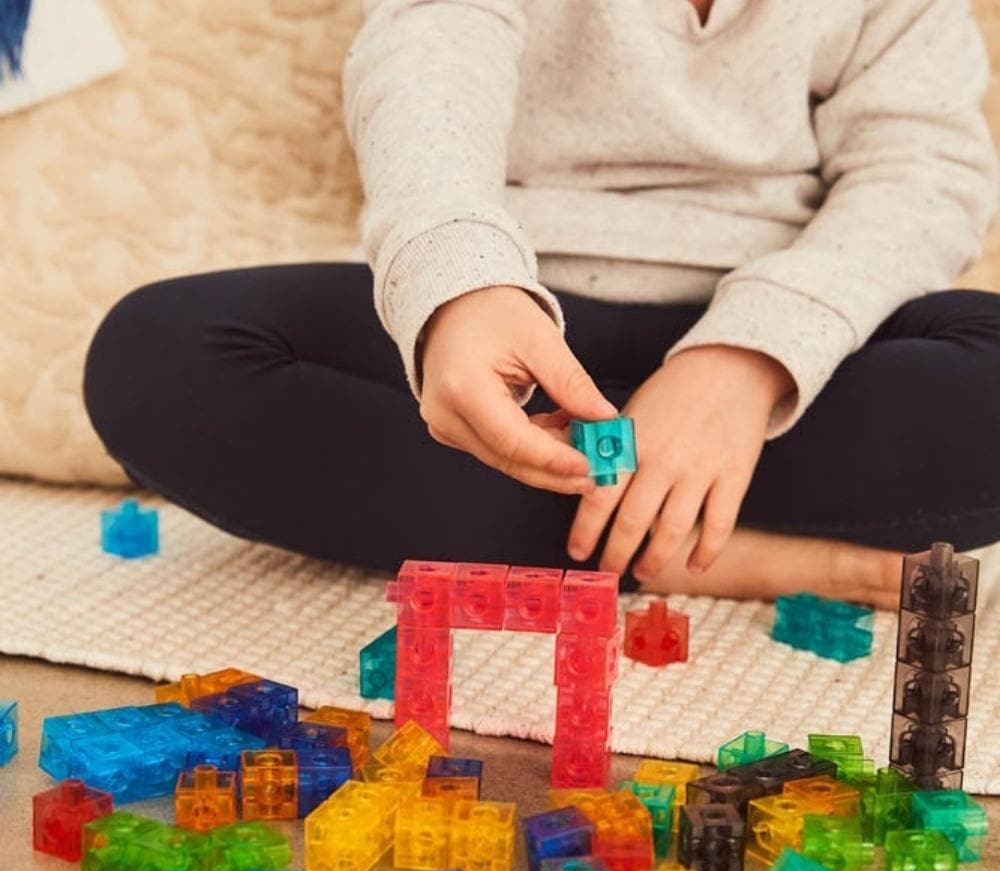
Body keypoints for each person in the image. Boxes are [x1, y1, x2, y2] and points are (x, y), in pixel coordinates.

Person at [83, 0, 1000, 610]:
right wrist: (462, 288)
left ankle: (632, 524)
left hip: (784, 347)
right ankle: (706, 545)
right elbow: (429, 56)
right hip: (526, 321)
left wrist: (746, 361)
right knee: (157, 357)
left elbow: (921, 172)